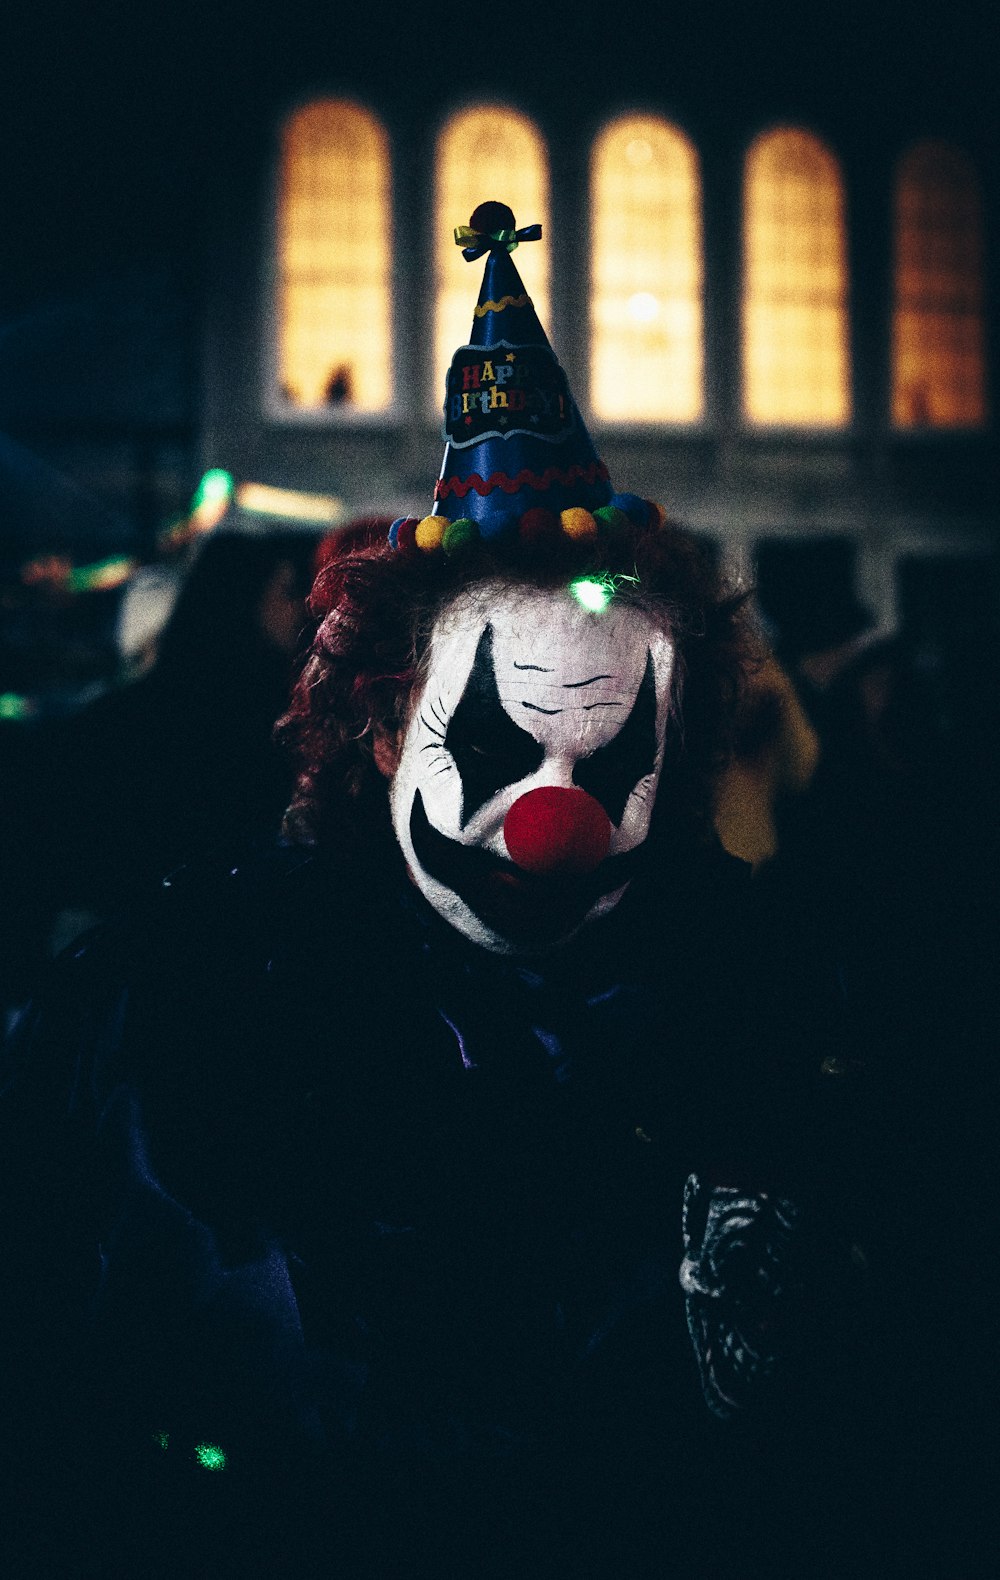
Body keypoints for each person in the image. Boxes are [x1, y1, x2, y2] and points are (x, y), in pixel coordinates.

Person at [3, 207, 884, 1578]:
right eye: (493, 740)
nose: (553, 819)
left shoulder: (773, 1018)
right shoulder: (156, 1022)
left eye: (614, 754)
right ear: (376, 727)